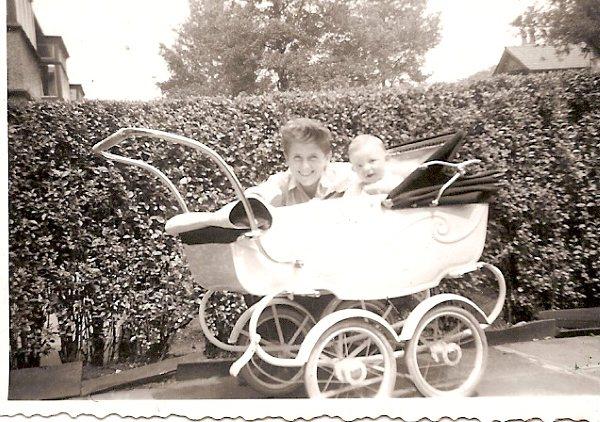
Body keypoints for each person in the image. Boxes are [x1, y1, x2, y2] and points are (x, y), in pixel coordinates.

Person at [247, 118, 352, 207]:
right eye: (297, 157)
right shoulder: (281, 184)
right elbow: (255, 196)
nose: (305, 166)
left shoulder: (347, 176)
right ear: (287, 158)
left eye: (313, 157)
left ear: (327, 157)